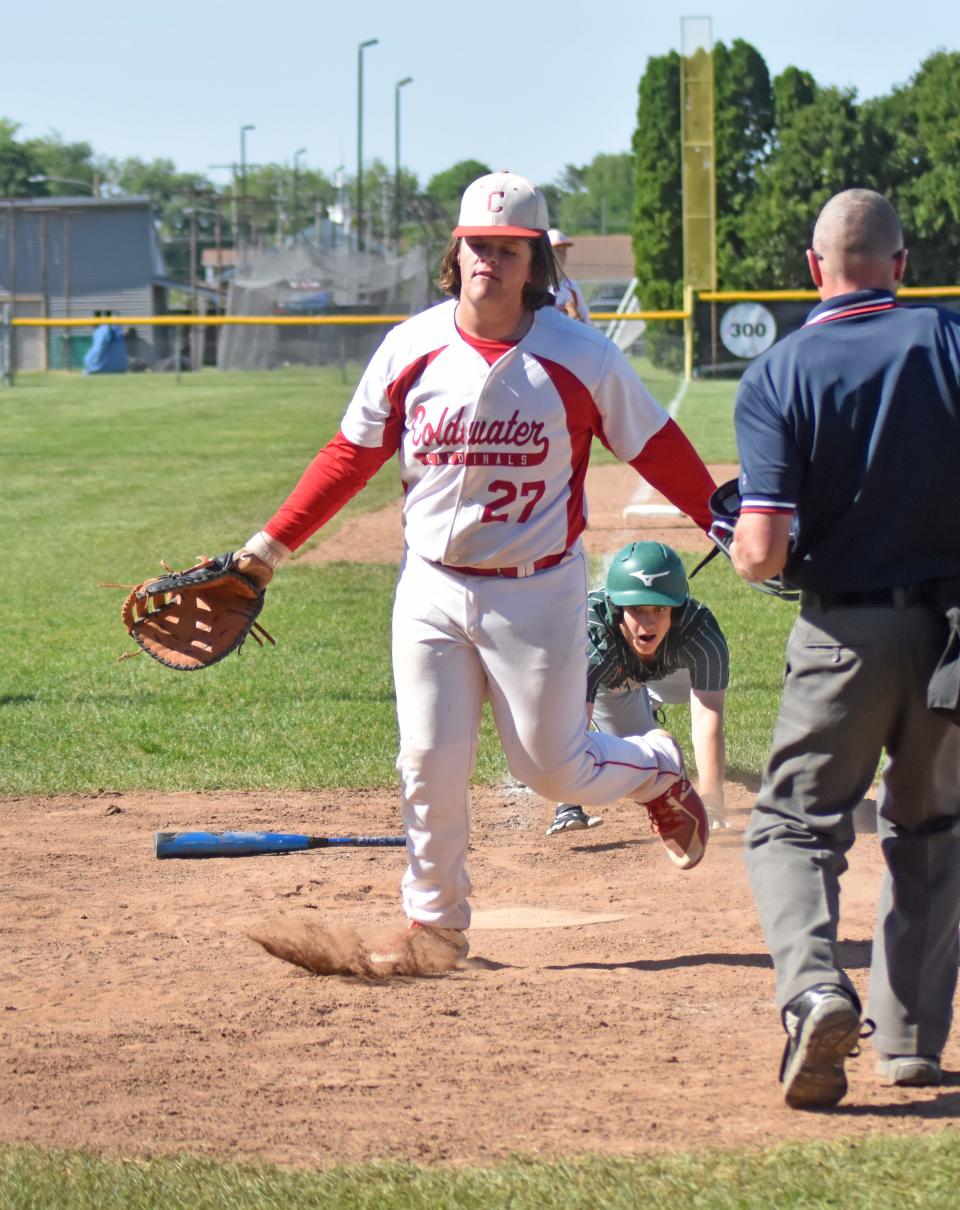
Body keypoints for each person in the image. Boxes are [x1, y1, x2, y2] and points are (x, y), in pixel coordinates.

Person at [229, 170, 718, 960]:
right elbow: (350, 457)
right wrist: (268, 548)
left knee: (553, 770)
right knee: (426, 760)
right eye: (476, 245)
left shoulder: (579, 357)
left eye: (507, 248)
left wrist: (721, 517)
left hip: (537, 594)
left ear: (534, 266)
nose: (488, 258)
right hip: (429, 584)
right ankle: (437, 925)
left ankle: (657, 769)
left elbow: (654, 444)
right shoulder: (411, 347)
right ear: (455, 255)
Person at [730, 188, 960, 1108]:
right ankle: (910, 1045)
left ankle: (818, 991)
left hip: (843, 636)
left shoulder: (780, 372)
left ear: (814, 270)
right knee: (934, 836)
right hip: (952, 638)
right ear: (902, 267)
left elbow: (762, 552)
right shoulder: (948, 341)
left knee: (793, 823)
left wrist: (736, 534)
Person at [547, 540, 729, 837]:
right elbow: (574, 723)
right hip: (614, 683)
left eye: (660, 608)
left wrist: (712, 802)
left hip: (672, 673)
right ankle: (643, 703)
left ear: (678, 610)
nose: (648, 621)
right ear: (616, 608)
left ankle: (652, 697)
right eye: (636, 609)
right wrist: (568, 801)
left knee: (703, 679)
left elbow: (707, 718)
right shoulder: (590, 637)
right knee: (642, 765)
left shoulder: (700, 633)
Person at [548, 229, 590, 323]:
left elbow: (587, 324)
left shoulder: (572, 287)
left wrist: (577, 318)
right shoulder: (535, 286)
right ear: (545, 253)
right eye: (557, 250)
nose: (562, 255)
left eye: (564, 251)